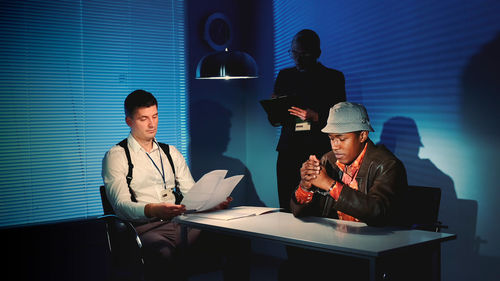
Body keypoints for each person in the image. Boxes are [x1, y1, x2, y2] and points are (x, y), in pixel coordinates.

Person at [102, 89, 248, 281]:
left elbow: (192, 193)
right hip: (145, 229)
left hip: (182, 223)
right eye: (143, 118)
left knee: (237, 239)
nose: (151, 123)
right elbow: (121, 206)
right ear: (129, 121)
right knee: (162, 253)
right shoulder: (117, 156)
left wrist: (212, 203)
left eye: (154, 116)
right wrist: (154, 210)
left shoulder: (170, 152)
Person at [291, 101, 408, 225]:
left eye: (342, 139)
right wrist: (305, 186)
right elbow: (299, 213)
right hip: (335, 240)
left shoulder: (388, 165)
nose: (335, 146)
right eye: (331, 138)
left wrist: (330, 185)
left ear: (362, 135)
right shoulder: (328, 160)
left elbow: (377, 212)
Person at [269, 29, 346, 212]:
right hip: (289, 151)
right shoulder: (284, 76)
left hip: (318, 151)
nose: (298, 58)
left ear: (317, 53)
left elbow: (342, 118)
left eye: (304, 54)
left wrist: (316, 116)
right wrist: (274, 108)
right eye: (294, 53)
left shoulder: (333, 78)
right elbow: (274, 121)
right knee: (287, 207)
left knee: (319, 208)